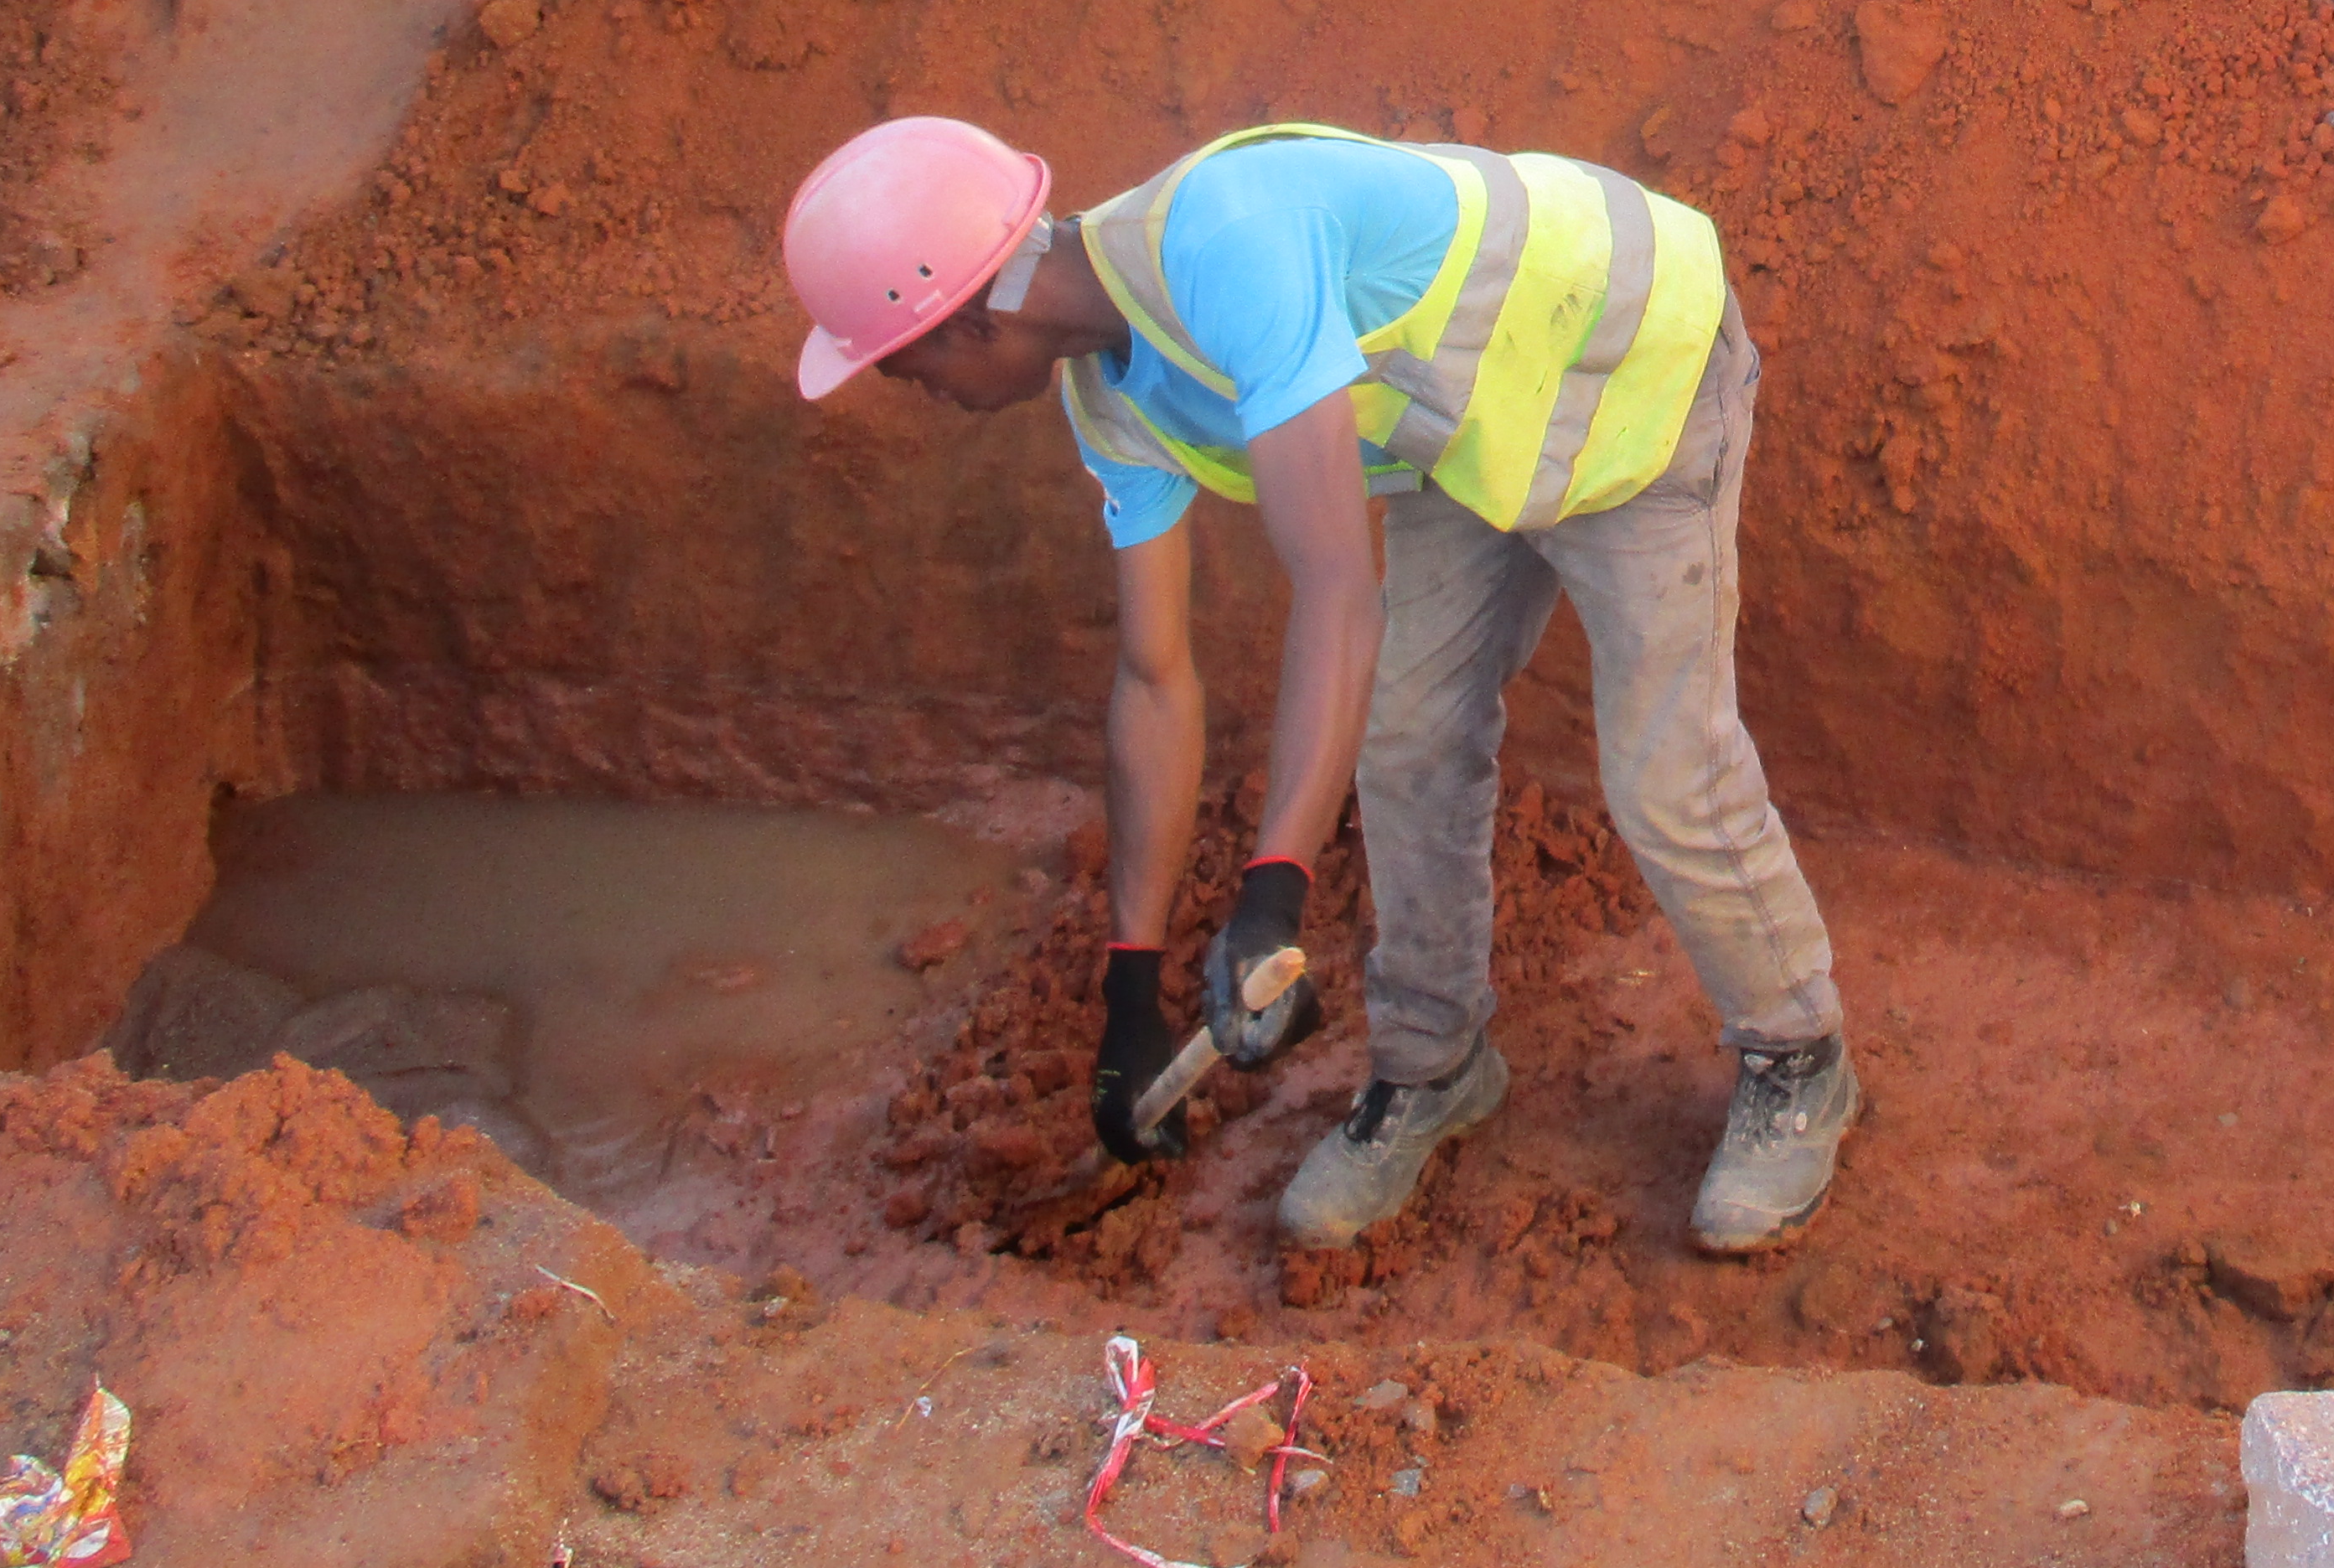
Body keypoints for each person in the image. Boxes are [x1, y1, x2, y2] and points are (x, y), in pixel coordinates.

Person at [781, 112, 1854, 1259]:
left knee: (1663, 766)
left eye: (902, 365)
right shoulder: (1108, 397)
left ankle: (1800, 1060)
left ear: (969, 317)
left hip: (1629, 364)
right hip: (1468, 432)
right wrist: (1129, 996)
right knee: (1402, 741)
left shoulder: (1227, 245)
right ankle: (1434, 1065)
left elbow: (1338, 593)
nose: (913, 393)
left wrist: (1273, 892)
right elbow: (1153, 681)